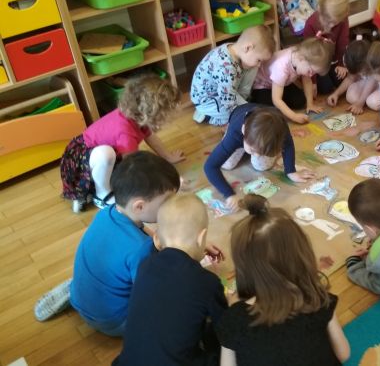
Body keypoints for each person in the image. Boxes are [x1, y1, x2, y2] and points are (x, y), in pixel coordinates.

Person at [216, 195, 350, 366]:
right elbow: (344, 354)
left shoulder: (234, 319)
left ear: (243, 267)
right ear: (303, 255)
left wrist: (234, 308)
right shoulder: (316, 297)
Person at [69, 151, 180, 336]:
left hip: (81, 298)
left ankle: (83, 289)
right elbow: (151, 293)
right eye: (167, 202)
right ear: (139, 206)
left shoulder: (108, 212)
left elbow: (142, 232)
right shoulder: (140, 249)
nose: (172, 207)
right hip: (115, 322)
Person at [113, 194, 228, 366]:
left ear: (157, 239)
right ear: (202, 237)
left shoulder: (145, 266)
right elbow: (225, 328)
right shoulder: (208, 283)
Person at [60, 75, 184, 213]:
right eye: (166, 113)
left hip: (98, 158)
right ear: (152, 112)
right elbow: (133, 167)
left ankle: (87, 192)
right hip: (80, 161)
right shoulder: (125, 133)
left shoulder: (136, 116)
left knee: (111, 157)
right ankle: (101, 195)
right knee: (107, 155)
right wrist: (164, 183)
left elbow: (151, 137)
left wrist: (168, 157)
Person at [204, 103, 315, 212]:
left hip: (258, 127)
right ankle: (236, 142)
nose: (256, 155)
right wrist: (229, 194)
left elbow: (288, 143)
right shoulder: (235, 133)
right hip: (238, 122)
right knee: (227, 165)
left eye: (261, 152)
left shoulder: (280, 127)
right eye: (253, 150)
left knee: (262, 166)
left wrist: (291, 171)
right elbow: (210, 166)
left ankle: (254, 148)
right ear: (244, 130)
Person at [190, 25, 276, 126]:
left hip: (223, 91)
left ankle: (240, 106)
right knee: (241, 116)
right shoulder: (226, 69)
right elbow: (228, 103)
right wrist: (241, 115)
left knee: (252, 70)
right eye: (259, 60)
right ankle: (208, 116)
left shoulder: (234, 49)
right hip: (208, 100)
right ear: (248, 48)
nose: (259, 65)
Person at [251, 37, 333, 124]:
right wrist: (294, 116)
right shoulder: (281, 67)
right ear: (301, 58)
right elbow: (276, 99)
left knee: (300, 100)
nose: (311, 75)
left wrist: (310, 104)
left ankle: (283, 103)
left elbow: (307, 81)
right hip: (263, 86)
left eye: (314, 73)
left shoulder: (302, 57)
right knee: (270, 112)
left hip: (281, 84)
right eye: (310, 71)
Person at [303, 0, 350, 94]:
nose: (331, 26)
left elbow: (343, 43)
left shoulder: (342, 19)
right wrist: (312, 81)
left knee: (342, 80)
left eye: (335, 22)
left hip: (333, 61)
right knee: (325, 87)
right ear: (319, 10)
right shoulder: (310, 24)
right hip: (317, 64)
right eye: (328, 21)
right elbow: (309, 55)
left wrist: (342, 64)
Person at [326, 38, 378, 115]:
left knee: (373, 102)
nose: (359, 73)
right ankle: (366, 98)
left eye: (361, 71)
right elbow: (350, 78)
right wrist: (336, 94)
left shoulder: (374, 64)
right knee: (351, 97)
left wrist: (360, 103)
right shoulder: (355, 61)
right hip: (366, 84)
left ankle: (368, 99)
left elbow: (371, 83)